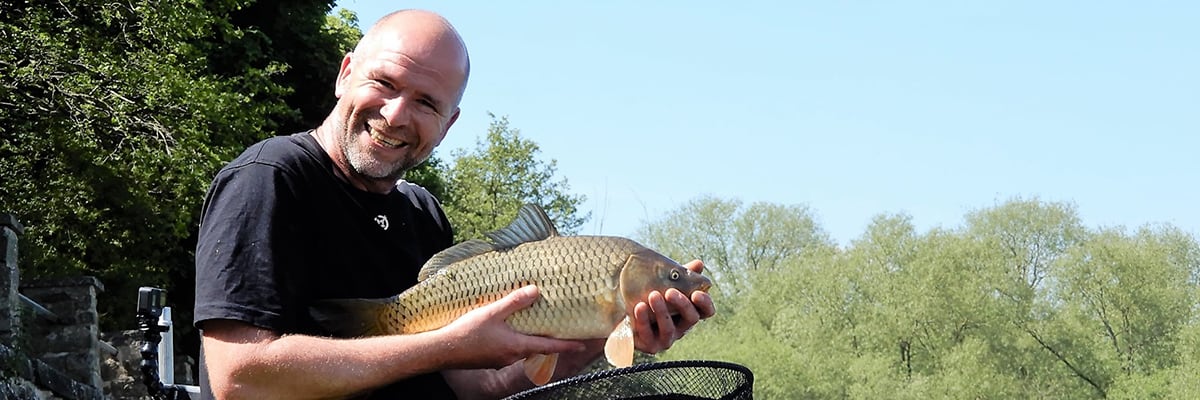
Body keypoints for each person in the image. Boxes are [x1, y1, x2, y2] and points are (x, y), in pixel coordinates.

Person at [192, 9, 715, 400]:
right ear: (344, 73)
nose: (397, 115)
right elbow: (239, 376)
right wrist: (444, 344)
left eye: (426, 103)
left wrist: (589, 341)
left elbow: (477, 385)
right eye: (384, 83)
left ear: (449, 123)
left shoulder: (420, 212)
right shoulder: (271, 178)